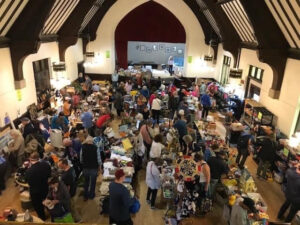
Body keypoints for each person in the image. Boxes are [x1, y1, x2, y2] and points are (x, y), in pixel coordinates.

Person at [25, 152, 51, 220]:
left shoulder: (29, 171)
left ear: (30, 159)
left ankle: (42, 218)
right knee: (48, 201)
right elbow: (49, 175)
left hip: (35, 191)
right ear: (39, 158)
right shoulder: (46, 164)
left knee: (38, 206)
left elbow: (28, 181)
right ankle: (51, 213)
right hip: (45, 188)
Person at [80, 136, 101, 201]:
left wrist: (84, 163)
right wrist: (100, 167)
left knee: (86, 182)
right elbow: (99, 159)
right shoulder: (96, 148)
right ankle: (91, 195)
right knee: (93, 182)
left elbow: (81, 159)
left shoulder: (82, 148)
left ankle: (85, 196)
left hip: (85, 168)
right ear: (92, 141)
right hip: (94, 168)